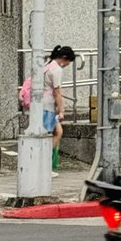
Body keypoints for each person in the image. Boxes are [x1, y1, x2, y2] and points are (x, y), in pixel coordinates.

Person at [43, 45, 75, 175]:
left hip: (43, 104)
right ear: (64, 58)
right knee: (47, 135)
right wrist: (61, 110)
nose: (68, 65)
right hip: (47, 105)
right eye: (68, 62)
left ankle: (47, 163)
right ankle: (44, 165)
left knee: (58, 131)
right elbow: (57, 92)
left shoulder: (48, 64)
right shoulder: (56, 69)